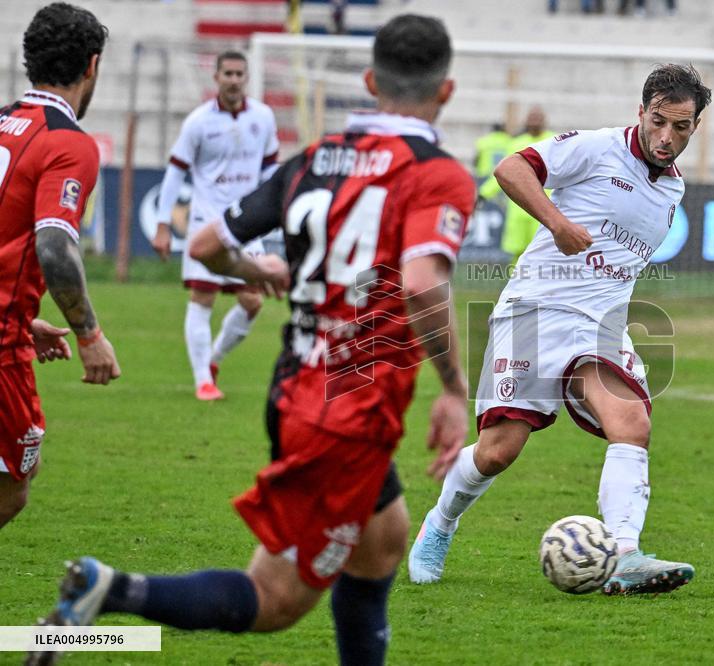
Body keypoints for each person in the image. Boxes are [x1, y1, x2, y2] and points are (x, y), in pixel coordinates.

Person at [28, 14, 474, 666]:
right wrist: (455, 389)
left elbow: (209, 243)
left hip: (300, 384)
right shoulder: (437, 173)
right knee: (275, 600)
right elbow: (422, 283)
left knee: (383, 540)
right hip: (347, 411)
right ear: (447, 91)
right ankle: (111, 588)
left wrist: (257, 269)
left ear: (370, 82)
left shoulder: (316, 159)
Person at [408, 64, 712, 596]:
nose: (667, 137)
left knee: (631, 423)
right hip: (536, 311)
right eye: (659, 122)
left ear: (695, 127)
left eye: (681, 127)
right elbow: (510, 169)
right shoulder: (596, 148)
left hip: (601, 325)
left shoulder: (673, 188)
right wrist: (558, 223)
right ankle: (440, 524)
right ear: (641, 112)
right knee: (498, 451)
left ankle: (624, 555)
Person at [0, 3, 121, 532]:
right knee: (12, 488)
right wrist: (89, 334)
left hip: (11, 326)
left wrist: (25, 318)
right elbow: (53, 247)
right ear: (92, 65)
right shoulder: (68, 143)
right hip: (2, 349)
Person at [151, 51, 280, 401]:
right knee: (203, 296)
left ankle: (213, 360)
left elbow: (270, 169)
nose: (234, 80)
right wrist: (163, 224)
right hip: (206, 221)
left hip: (246, 222)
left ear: (247, 78)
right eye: (228, 74)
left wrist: (274, 209)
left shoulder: (263, 117)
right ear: (216, 77)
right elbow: (176, 171)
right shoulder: (198, 122)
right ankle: (202, 382)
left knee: (252, 301)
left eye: (239, 74)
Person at [479, 106, 554, 263]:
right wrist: (483, 194)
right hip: (519, 208)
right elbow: (503, 173)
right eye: (531, 118)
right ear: (526, 121)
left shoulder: (553, 141)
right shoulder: (515, 143)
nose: (534, 121)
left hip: (545, 208)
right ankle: (518, 278)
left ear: (544, 121)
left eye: (538, 118)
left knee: (543, 252)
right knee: (518, 253)